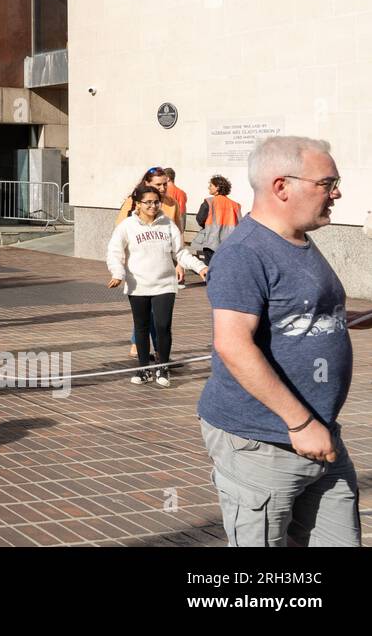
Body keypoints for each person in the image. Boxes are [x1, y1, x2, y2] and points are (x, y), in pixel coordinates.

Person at [199, 136, 358, 546]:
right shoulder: (245, 252)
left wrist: (345, 321)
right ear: (281, 186)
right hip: (266, 441)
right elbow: (233, 345)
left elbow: (300, 313)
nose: (336, 192)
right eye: (327, 182)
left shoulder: (300, 240)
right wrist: (300, 422)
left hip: (322, 437)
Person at [106, 184, 206, 386]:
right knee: (141, 327)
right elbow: (114, 252)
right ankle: (143, 369)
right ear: (138, 204)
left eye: (156, 202)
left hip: (165, 285)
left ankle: (162, 367)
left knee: (162, 326)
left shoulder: (167, 224)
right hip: (138, 285)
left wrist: (200, 267)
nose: (153, 206)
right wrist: (117, 273)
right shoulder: (127, 226)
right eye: (148, 202)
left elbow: (180, 253)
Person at [191, 175, 242, 267]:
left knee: (211, 268)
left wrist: (205, 226)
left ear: (217, 187)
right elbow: (239, 224)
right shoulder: (235, 205)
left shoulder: (209, 202)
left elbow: (200, 219)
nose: (208, 187)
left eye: (211, 185)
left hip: (211, 242)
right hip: (229, 243)